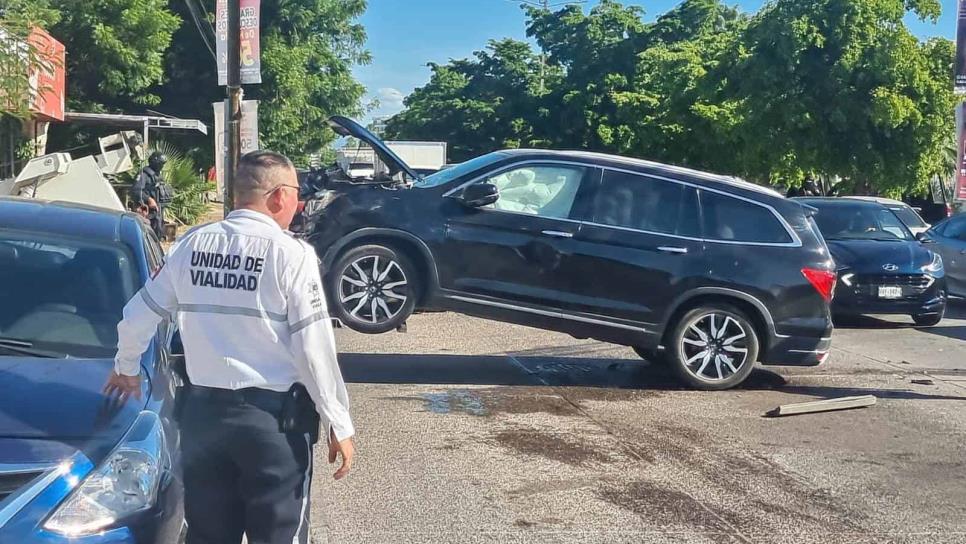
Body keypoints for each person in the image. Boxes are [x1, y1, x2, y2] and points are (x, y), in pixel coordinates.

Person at [104, 150, 356, 544]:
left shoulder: (191, 245)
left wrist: (126, 368)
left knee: (207, 535)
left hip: (204, 420)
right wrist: (337, 420)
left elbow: (138, 314)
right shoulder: (291, 255)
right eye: (295, 192)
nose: (299, 202)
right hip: (273, 426)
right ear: (276, 197)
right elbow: (313, 347)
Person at [132, 152, 169, 239]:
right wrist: (149, 199)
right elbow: (136, 190)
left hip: (158, 210)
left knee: (157, 233)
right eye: (160, 164)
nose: (161, 166)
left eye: (162, 164)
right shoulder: (143, 174)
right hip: (147, 211)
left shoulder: (157, 175)